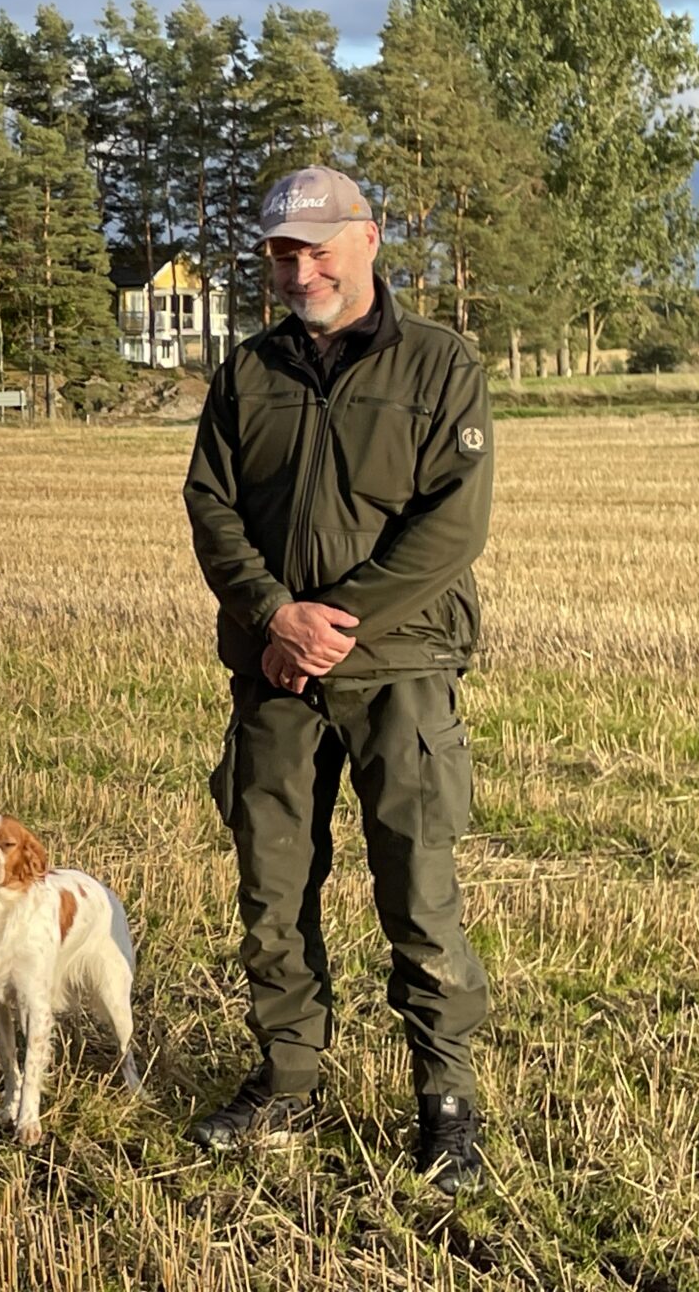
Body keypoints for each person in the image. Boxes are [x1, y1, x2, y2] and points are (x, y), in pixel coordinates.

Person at [182, 166, 493, 1192]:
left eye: (317, 246)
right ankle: (285, 1080)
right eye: (280, 250)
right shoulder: (245, 374)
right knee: (272, 890)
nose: (299, 267)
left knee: (417, 890)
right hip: (272, 672)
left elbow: (448, 528)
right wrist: (274, 617)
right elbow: (210, 508)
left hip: (397, 673)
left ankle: (443, 1103)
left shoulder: (439, 365)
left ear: (368, 240)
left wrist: (330, 629)